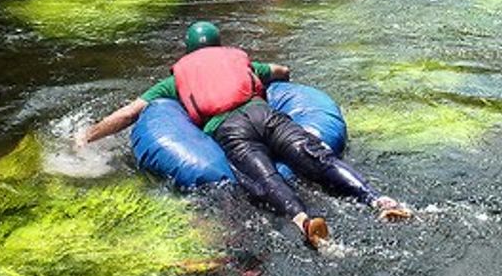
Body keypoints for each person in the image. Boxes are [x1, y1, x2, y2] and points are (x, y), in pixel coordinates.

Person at [77, 22, 411, 248]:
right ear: (219, 45)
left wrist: (87, 136)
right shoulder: (240, 63)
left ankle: (305, 221)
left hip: (230, 130)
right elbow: (281, 71)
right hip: (266, 114)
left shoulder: (175, 80)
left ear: (187, 50)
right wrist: (275, 83)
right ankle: (377, 199)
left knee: (265, 178)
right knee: (317, 157)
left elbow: (128, 113)